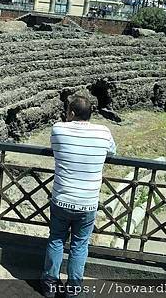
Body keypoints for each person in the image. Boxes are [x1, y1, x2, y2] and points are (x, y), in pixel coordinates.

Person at [41, 95, 116, 297]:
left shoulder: (58, 129)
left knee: (56, 239)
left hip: (61, 199)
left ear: (71, 113)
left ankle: (50, 284)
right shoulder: (103, 132)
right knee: (80, 245)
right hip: (87, 203)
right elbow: (113, 152)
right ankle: (73, 289)